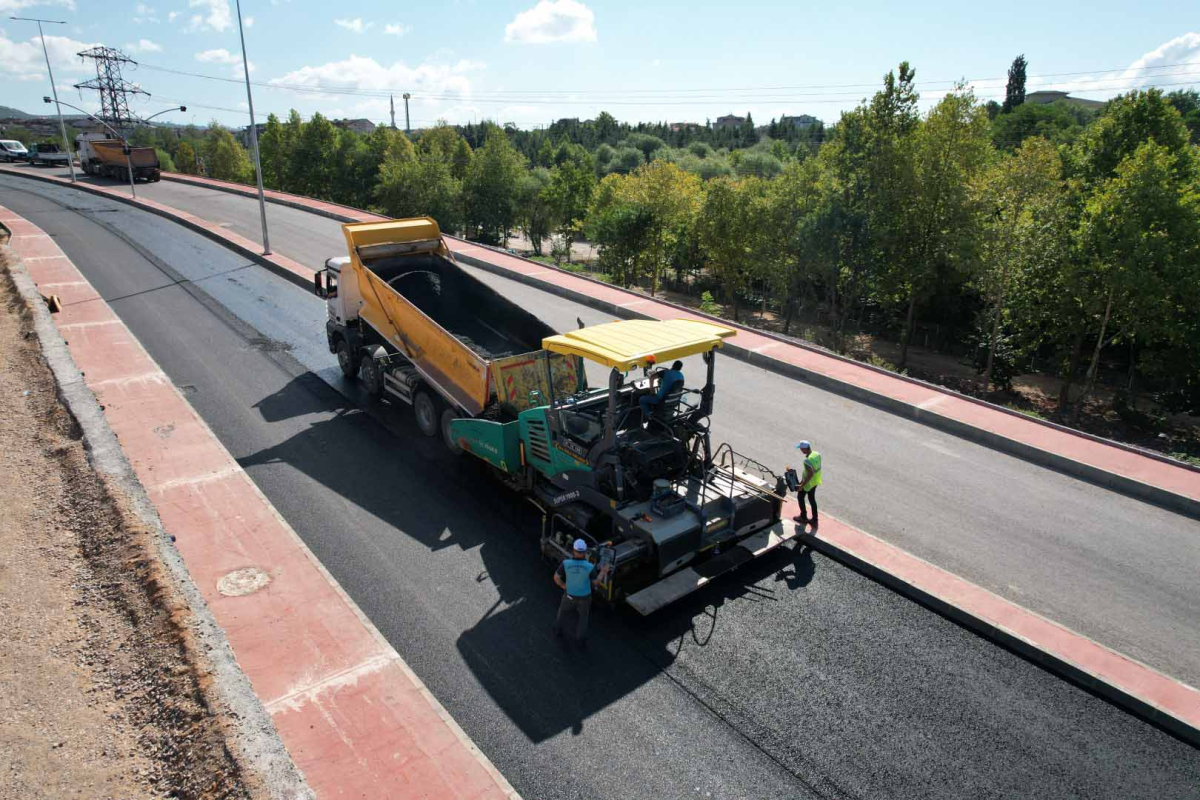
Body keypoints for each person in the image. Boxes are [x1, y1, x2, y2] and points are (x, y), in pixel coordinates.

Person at [553, 539, 609, 648]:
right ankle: (580, 640)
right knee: (583, 618)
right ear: (584, 552)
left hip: (569, 595)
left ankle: (557, 629)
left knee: (563, 612)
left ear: (574, 551)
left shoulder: (566, 564)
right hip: (584, 598)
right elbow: (596, 582)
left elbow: (556, 578)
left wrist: (563, 586)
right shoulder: (589, 567)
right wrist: (603, 571)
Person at [638, 360, 685, 424]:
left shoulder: (666, 372)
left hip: (660, 400)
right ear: (680, 368)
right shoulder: (681, 376)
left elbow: (652, 378)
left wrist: (652, 390)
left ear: (673, 365)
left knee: (642, 399)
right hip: (674, 401)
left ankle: (648, 416)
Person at [792, 441, 822, 532]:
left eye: (801, 449)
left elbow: (810, 474)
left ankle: (803, 516)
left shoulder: (807, 461)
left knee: (800, 497)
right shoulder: (817, 454)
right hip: (815, 481)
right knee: (812, 500)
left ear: (805, 448)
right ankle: (815, 520)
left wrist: (801, 485)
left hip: (808, 483)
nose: (800, 450)